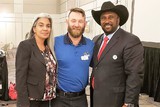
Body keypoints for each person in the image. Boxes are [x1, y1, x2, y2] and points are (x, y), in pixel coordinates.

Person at [90, 1, 144, 107]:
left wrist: (129, 102)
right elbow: (96, 66)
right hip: (96, 97)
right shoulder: (96, 40)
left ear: (118, 19)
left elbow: (135, 74)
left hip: (116, 101)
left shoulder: (131, 40)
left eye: (111, 17)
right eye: (103, 18)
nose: (107, 21)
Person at [53, 8, 94, 107]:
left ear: (85, 23)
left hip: (81, 99)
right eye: (73, 21)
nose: (76, 24)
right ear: (67, 22)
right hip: (59, 99)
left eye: (80, 21)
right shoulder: (55, 42)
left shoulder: (91, 45)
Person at [16, 13, 57, 107]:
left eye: (48, 26)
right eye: (41, 25)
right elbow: (20, 77)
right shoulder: (25, 46)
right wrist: (23, 103)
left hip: (48, 99)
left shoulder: (49, 48)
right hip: (32, 100)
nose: (45, 28)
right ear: (34, 28)